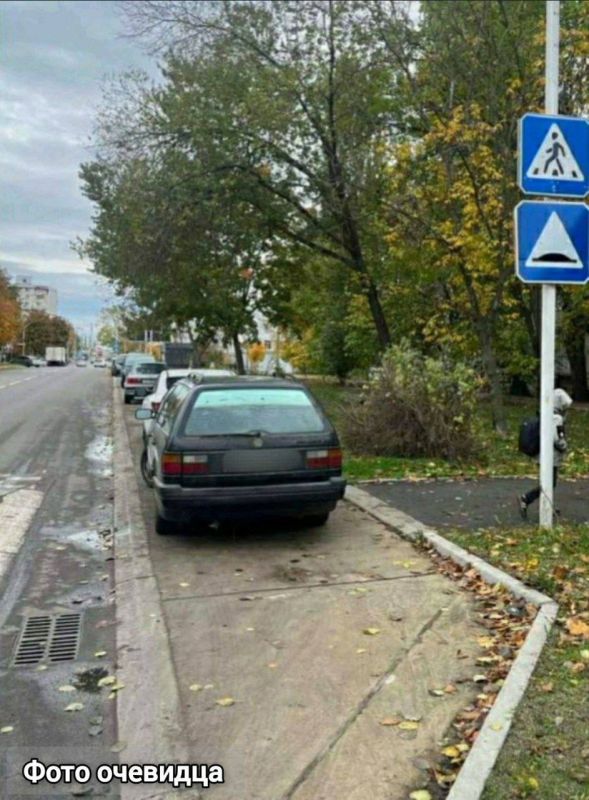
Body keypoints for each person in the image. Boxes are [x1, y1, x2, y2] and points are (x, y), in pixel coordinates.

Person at [519, 388, 573, 519]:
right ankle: (526, 499)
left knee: (547, 481)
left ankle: (549, 507)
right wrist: (564, 446)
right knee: (550, 483)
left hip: (540, 454)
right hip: (551, 456)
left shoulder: (545, 413)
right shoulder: (556, 418)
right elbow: (556, 439)